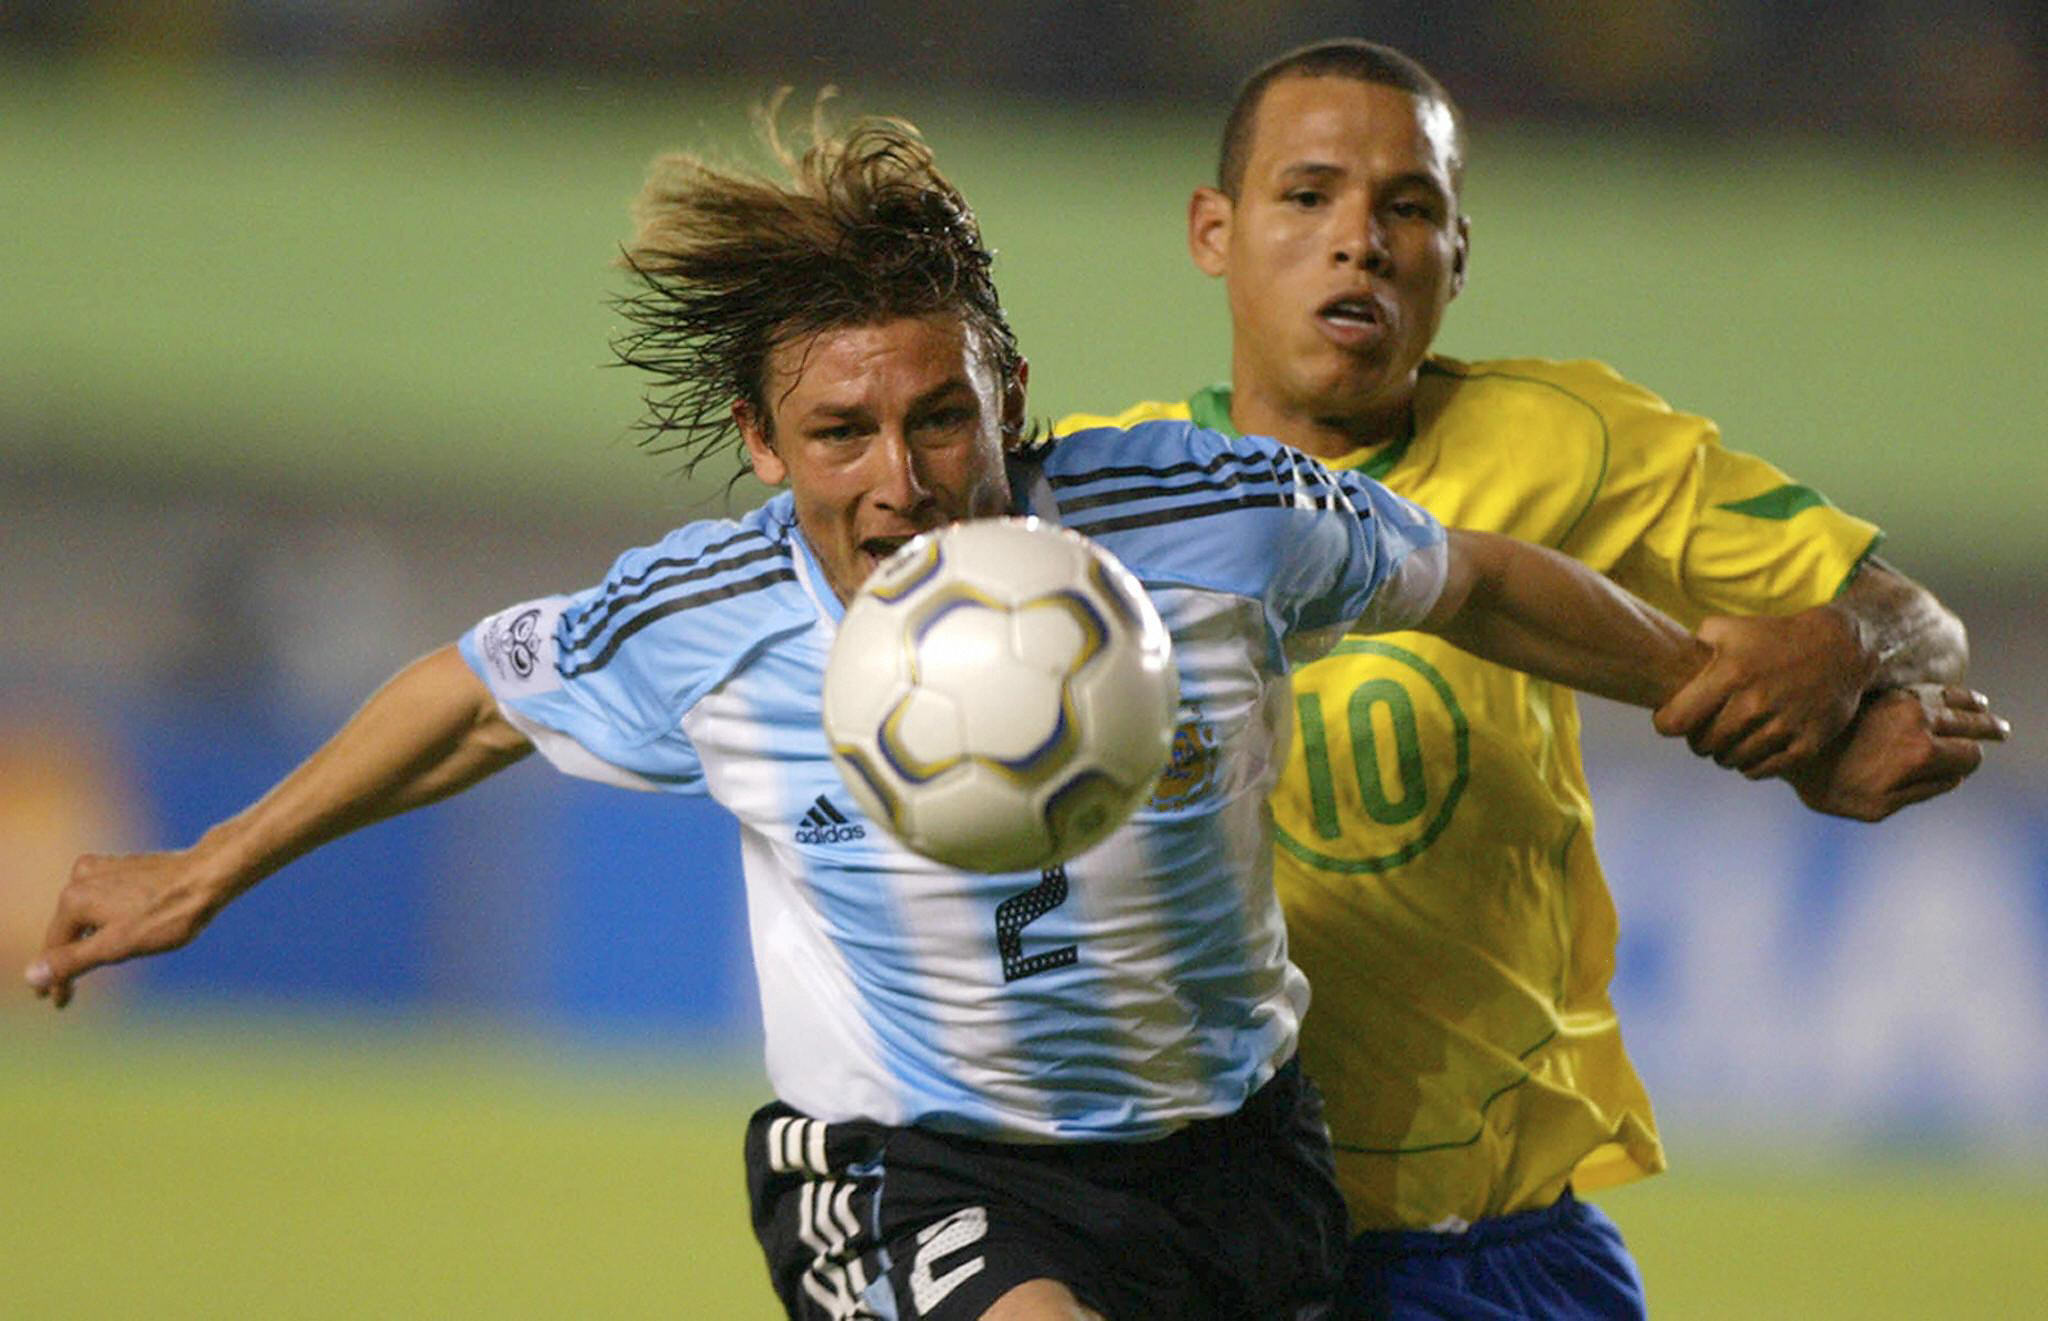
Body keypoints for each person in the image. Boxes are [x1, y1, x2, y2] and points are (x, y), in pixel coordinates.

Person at [30, 112, 1826, 1321]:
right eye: (839, 436)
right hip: (914, 1166)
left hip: (1240, 1153)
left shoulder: (1203, 516)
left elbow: (1473, 574)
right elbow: (469, 702)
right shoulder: (712, 618)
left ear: (1009, 391)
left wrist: (1691, 676)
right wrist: (211, 865)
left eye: (941, 419)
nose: (900, 482)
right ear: (762, 443)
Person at [1058, 39, 2009, 1321]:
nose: (1360, 243)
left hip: (1493, 1251)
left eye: (1408, 208)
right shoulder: (1094, 494)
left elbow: (1912, 619)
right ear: (1211, 231)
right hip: (1200, 1229)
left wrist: (1844, 653)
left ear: (1457, 255)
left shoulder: (1560, 438)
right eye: (1308, 196)